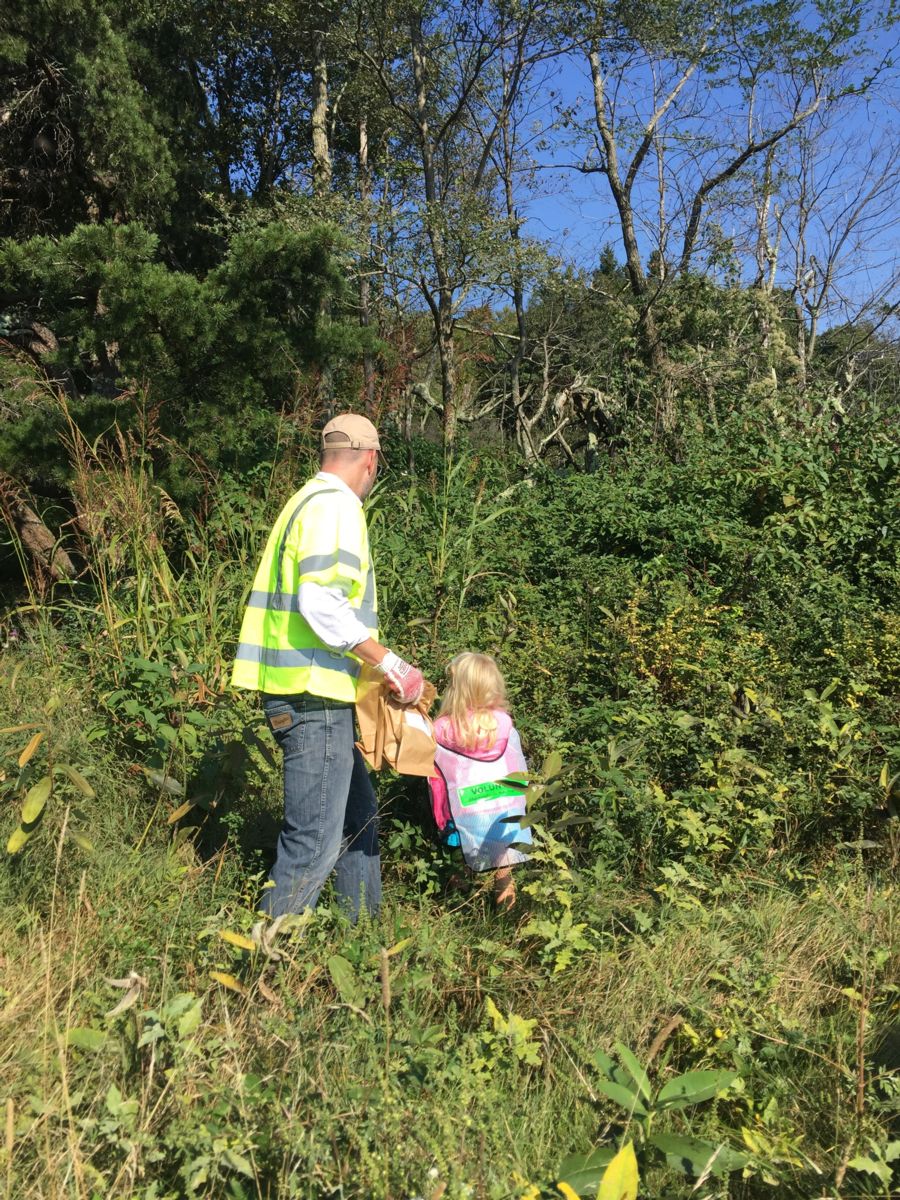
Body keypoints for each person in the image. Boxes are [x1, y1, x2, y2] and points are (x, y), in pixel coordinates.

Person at [231, 413, 425, 930]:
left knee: (357, 820)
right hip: (309, 696)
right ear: (370, 460)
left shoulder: (304, 502)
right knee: (314, 840)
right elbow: (322, 603)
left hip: (310, 693)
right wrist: (389, 662)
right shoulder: (338, 507)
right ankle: (262, 970)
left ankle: (361, 948)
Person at [428, 653, 531, 910]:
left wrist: (441, 818)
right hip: (503, 813)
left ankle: (458, 911)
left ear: (457, 689)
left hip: (462, 813)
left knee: (458, 865)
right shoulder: (503, 724)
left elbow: (436, 779)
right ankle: (507, 920)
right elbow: (515, 769)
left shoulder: (441, 728)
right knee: (504, 875)